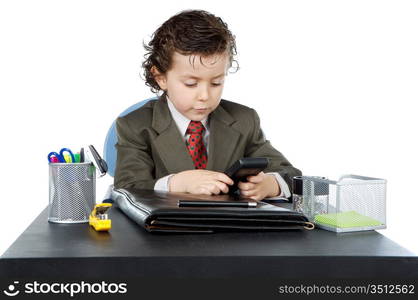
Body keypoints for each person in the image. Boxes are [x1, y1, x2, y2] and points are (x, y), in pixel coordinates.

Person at [114, 9, 301, 201]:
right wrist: (176, 183)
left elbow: (292, 174)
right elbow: (128, 187)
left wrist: (272, 184)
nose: (204, 95)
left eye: (216, 83)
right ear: (160, 77)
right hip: (166, 228)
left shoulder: (244, 120)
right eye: (191, 84)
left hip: (232, 227)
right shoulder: (134, 125)